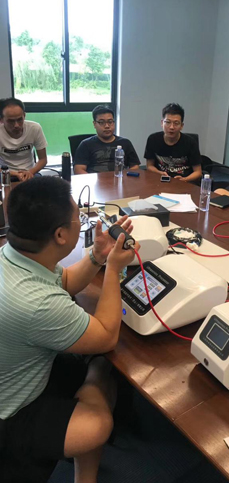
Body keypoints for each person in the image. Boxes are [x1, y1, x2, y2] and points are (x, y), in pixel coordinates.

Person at [0, 176, 138, 482]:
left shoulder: (13, 255)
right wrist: (113, 269)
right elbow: (106, 336)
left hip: (14, 378)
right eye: (78, 217)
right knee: (98, 410)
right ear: (61, 235)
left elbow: (64, 281)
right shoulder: (37, 302)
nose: (82, 221)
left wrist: (97, 256)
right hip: (9, 417)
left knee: (92, 364)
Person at [144, 103, 202, 182]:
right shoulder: (153, 139)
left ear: (181, 126)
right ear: (162, 123)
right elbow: (149, 166)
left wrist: (184, 179)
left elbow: (198, 172)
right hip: (160, 181)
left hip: (184, 183)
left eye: (176, 123)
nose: (171, 127)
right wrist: (159, 173)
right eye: (168, 122)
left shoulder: (190, 142)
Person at [74, 105, 140, 174]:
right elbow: (79, 170)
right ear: (94, 124)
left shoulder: (125, 143)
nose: (107, 126)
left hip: (120, 178)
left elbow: (135, 166)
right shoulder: (86, 144)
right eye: (102, 122)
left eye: (110, 122)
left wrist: (124, 177)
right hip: (95, 180)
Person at [0, 97, 48, 181]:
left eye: (20, 119)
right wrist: (15, 174)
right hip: (6, 174)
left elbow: (43, 159)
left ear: (24, 116)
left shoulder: (34, 128)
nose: (16, 125)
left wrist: (30, 172)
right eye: (11, 121)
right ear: (1, 120)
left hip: (30, 172)